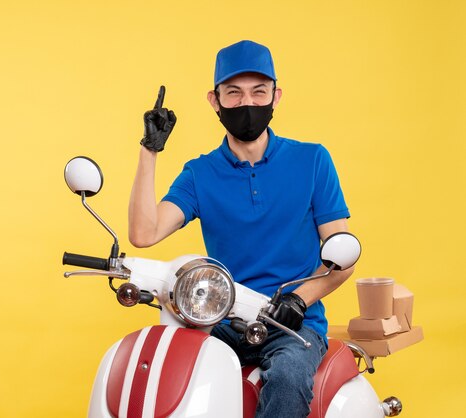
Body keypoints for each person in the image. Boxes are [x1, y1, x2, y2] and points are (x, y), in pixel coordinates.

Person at [128, 40, 354, 418]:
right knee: (165, 366)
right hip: (221, 319)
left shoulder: (312, 160)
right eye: (233, 93)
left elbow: (341, 258)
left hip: (291, 325)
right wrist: (150, 149)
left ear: (275, 96)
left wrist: (299, 300)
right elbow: (143, 233)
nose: (246, 103)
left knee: (287, 376)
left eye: (258, 92)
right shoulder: (200, 173)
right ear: (214, 101)